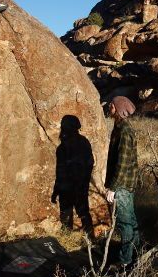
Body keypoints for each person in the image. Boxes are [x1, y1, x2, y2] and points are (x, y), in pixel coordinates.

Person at [104, 96, 141, 267]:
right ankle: (136, 252)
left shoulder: (124, 131)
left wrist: (112, 187)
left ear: (118, 110)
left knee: (125, 223)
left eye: (112, 105)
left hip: (123, 185)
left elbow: (123, 163)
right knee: (131, 221)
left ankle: (125, 260)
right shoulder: (119, 127)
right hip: (125, 183)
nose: (109, 106)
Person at [51, 115, 95, 239]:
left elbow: (61, 172)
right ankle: (89, 241)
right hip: (74, 187)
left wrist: (57, 190)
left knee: (72, 215)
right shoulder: (82, 143)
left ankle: (69, 241)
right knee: (80, 214)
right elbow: (89, 165)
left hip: (71, 188)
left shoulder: (64, 147)